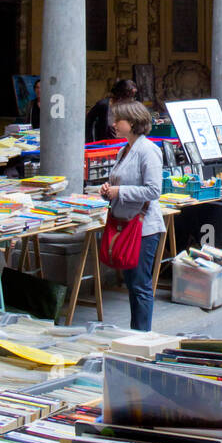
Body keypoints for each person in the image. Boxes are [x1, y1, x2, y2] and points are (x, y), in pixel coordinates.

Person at [99, 101, 163, 330]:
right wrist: (108, 190)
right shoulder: (123, 149)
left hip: (143, 228)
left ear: (133, 123)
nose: (114, 124)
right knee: (132, 284)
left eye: (119, 120)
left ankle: (141, 335)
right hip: (124, 222)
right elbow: (120, 181)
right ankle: (136, 332)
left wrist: (120, 191)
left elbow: (154, 190)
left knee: (140, 286)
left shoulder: (148, 151)